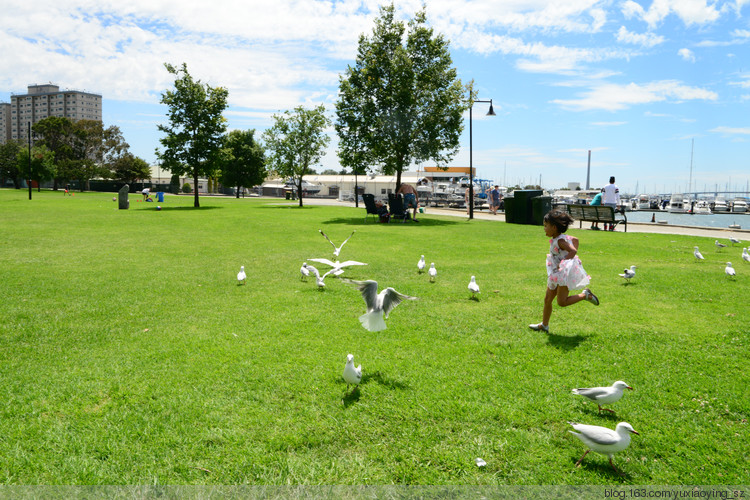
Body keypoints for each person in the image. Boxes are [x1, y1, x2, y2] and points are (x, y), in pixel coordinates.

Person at [529, 209, 599, 333]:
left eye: (546, 226)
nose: (544, 228)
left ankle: (585, 295)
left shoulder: (561, 241)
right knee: (547, 299)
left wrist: (565, 263)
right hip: (555, 273)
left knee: (562, 302)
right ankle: (544, 325)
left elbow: (573, 250)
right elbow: (575, 240)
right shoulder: (560, 238)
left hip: (562, 275)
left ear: (554, 227)